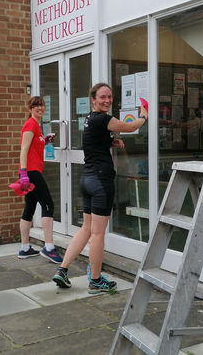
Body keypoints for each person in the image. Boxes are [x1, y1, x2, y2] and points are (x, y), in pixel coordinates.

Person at [53, 83, 148, 294]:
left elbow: (95, 142)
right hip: (100, 182)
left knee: (86, 229)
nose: (107, 100)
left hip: (87, 179)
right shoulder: (103, 118)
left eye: (110, 97)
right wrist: (143, 116)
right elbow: (131, 127)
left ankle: (62, 270)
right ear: (93, 100)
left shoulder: (90, 119)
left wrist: (111, 143)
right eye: (102, 97)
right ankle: (95, 280)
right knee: (97, 234)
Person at [17, 96, 63, 264]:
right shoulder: (30, 124)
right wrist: (23, 173)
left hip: (30, 171)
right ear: (30, 109)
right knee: (48, 204)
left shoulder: (37, 126)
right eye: (36, 105)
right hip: (31, 172)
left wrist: (46, 140)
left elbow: (34, 147)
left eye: (42, 105)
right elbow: (24, 149)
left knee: (29, 207)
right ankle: (49, 248)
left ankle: (25, 248)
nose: (40, 108)